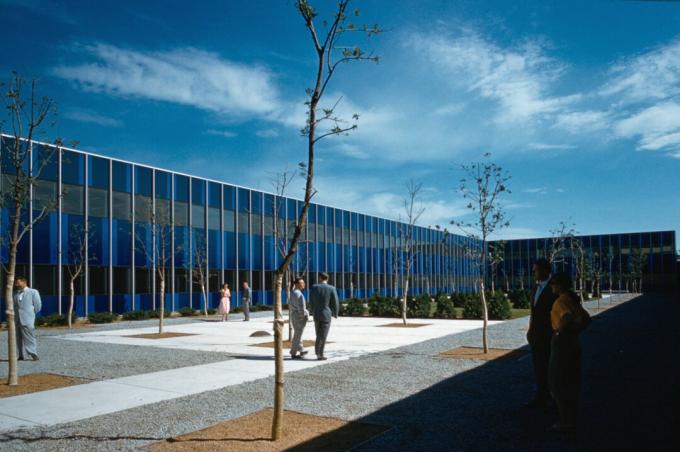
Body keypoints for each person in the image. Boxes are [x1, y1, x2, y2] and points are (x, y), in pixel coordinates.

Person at [548, 272, 589, 432]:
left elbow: (566, 317)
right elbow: (586, 319)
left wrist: (560, 334)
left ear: (559, 285)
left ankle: (565, 421)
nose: (551, 286)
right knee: (571, 381)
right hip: (574, 343)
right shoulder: (573, 299)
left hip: (562, 345)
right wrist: (574, 332)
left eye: (553, 283)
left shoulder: (561, 301)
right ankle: (570, 418)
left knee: (558, 382)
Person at [526, 258, 558, 410]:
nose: (533, 272)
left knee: (551, 370)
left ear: (545, 270)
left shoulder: (554, 289)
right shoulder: (535, 288)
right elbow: (534, 312)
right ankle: (540, 398)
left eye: (536, 270)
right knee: (538, 368)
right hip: (536, 336)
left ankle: (554, 401)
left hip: (550, 336)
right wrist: (530, 329)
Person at [308, 272, 339, 360]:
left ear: (320, 278)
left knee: (318, 333)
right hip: (326, 314)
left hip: (316, 314)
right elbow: (335, 302)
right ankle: (319, 353)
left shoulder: (314, 287)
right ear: (327, 279)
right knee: (323, 335)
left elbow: (311, 300)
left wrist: (312, 311)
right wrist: (335, 313)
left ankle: (318, 352)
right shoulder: (331, 288)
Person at [13, 276, 42, 361]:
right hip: (17, 319)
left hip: (28, 319)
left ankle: (33, 353)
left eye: (18, 282)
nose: (16, 284)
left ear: (24, 282)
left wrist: (31, 314)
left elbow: (38, 305)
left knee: (30, 337)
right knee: (18, 338)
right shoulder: (15, 293)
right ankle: (20, 355)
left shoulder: (33, 292)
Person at [288, 277, 310, 359]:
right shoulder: (298, 294)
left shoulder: (293, 292)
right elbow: (301, 307)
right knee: (298, 334)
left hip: (294, 314)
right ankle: (293, 352)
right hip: (298, 316)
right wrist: (303, 316)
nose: (303, 284)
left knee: (298, 333)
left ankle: (301, 349)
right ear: (296, 284)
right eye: (301, 283)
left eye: (303, 283)